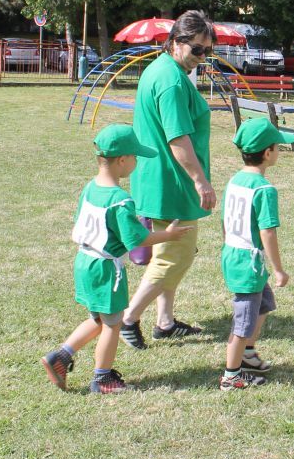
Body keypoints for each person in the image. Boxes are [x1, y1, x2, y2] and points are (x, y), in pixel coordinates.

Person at [42, 125, 192, 394]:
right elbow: (136, 239)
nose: (136, 162)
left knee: (99, 319)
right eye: (135, 157)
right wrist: (168, 235)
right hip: (105, 269)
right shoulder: (120, 200)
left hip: (84, 261)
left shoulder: (90, 188)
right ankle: (103, 378)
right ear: (122, 160)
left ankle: (60, 357)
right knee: (113, 324)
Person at [119, 11, 218, 351]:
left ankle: (165, 322)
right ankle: (128, 318)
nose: (202, 57)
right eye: (197, 49)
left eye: (207, 50)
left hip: (157, 178)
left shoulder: (161, 69)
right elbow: (178, 138)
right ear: (176, 42)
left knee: (168, 250)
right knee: (176, 256)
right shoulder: (172, 81)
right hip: (171, 181)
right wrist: (201, 181)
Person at [219, 118, 294, 390]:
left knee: (264, 303)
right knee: (243, 322)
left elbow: (224, 220)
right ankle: (231, 375)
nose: (278, 151)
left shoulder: (235, 180)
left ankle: (247, 353)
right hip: (248, 263)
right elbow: (268, 232)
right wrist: (278, 269)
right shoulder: (264, 189)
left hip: (234, 255)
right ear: (267, 153)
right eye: (277, 146)